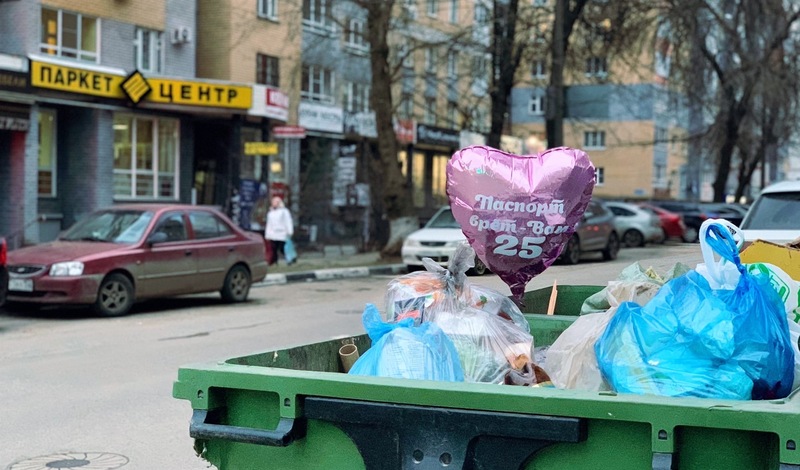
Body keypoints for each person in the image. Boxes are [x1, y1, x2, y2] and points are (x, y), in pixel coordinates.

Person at [265, 196, 294, 265]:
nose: (273, 203)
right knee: (273, 248)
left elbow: (288, 221)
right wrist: (267, 234)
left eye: (275, 202)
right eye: (273, 202)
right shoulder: (270, 213)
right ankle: (274, 261)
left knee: (282, 248)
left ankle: (289, 260)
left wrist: (290, 231)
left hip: (282, 233)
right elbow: (269, 224)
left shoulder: (284, 211)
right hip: (273, 234)